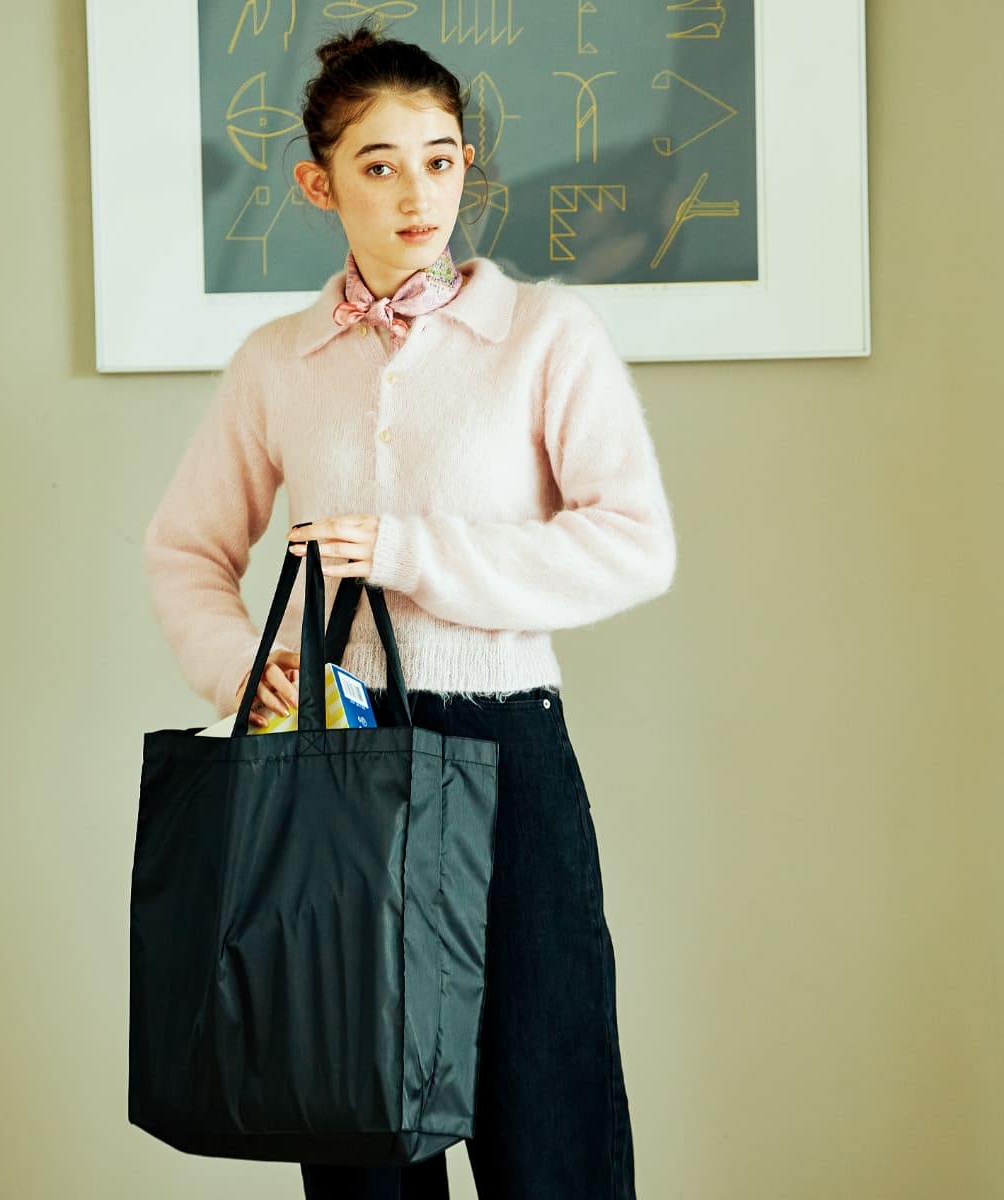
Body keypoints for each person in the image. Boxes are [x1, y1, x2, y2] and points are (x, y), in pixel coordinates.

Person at [144, 23, 676, 1200]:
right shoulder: (276, 361)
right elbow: (185, 549)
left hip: (505, 753)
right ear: (318, 184)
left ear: (467, 164)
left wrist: (408, 553)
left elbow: (633, 543)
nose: (416, 193)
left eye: (439, 160)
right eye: (378, 165)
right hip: (331, 750)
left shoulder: (544, 337)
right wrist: (240, 670)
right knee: (356, 1107)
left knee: (548, 1109)